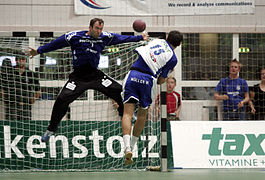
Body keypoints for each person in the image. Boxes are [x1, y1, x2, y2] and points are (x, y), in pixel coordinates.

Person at [26, 18, 148, 142]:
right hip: (78, 78)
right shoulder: (74, 36)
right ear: (90, 27)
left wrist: (139, 38)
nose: (99, 31)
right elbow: (55, 44)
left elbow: (121, 38)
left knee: (120, 91)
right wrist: (38, 51)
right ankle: (51, 129)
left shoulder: (104, 37)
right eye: (97, 28)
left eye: (101, 29)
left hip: (95, 76)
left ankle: (127, 115)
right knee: (62, 99)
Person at [121, 30, 183, 165]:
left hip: (133, 75)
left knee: (127, 114)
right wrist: (165, 73)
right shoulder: (172, 58)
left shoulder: (157, 41)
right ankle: (132, 146)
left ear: (167, 37)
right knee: (142, 115)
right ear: (179, 44)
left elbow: (145, 46)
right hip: (148, 80)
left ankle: (126, 148)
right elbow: (161, 81)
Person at [15, 53, 41, 120]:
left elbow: (38, 90)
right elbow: (3, 88)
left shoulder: (31, 74)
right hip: (13, 104)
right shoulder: (10, 72)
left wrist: (34, 99)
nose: (21, 61)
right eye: (19, 59)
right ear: (16, 60)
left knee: (26, 124)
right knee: (11, 124)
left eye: (23, 59)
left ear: (25, 60)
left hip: (26, 104)